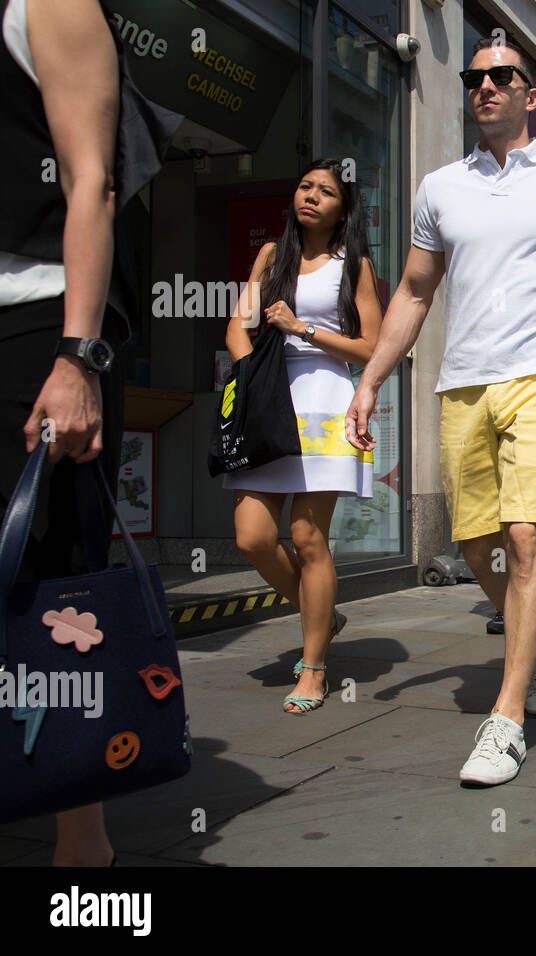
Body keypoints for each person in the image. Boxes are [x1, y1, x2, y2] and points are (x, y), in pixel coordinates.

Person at [345, 33, 536, 787]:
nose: (484, 86)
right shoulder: (440, 187)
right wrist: (372, 379)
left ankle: (507, 717)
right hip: (464, 382)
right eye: (475, 77)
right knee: (476, 545)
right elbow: (414, 294)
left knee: (525, 537)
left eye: (501, 75)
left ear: (530, 94)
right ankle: (532, 635)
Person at [0, 0, 176, 865]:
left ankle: (83, 845)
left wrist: (77, 357)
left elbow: (92, 179)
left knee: (57, 585)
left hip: (36, 326)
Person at [224, 159, 381, 715]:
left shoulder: (354, 265)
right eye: (305, 186)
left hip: (325, 405)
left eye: (327, 191)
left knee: (308, 538)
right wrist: (250, 383)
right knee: (252, 537)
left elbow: (373, 347)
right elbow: (237, 327)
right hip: (269, 404)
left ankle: (313, 666)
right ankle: (325, 615)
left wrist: (303, 329)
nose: (311, 196)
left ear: (344, 206)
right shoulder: (272, 255)